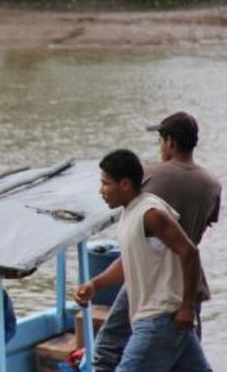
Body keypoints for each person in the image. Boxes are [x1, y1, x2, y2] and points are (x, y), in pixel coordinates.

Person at [93, 112, 222, 371]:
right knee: (184, 347)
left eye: (160, 141)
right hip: (188, 283)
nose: (160, 147)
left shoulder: (149, 176)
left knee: (108, 348)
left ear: (170, 142)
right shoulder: (213, 185)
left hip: (151, 281)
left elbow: (144, 228)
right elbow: (202, 230)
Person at [74, 149, 210, 372]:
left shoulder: (150, 213)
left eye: (106, 184)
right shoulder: (130, 213)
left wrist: (187, 306)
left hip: (161, 319)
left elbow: (189, 253)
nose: (101, 191)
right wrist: (94, 284)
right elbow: (129, 262)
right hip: (165, 323)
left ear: (125, 184)